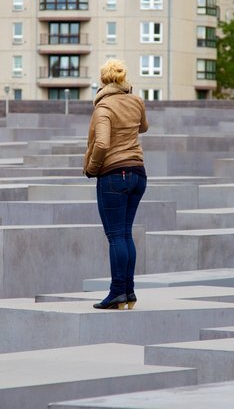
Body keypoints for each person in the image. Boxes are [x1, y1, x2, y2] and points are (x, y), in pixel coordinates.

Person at [84, 59, 148, 310]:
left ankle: (117, 292)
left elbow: (101, 144)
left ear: (102, 81)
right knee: (125, 234)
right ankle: (128, 292)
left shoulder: (104, 107)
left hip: (113, 174)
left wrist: (91, 168)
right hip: (138, 172)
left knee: (115, 236)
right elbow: (143, 127)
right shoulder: (136, 100)